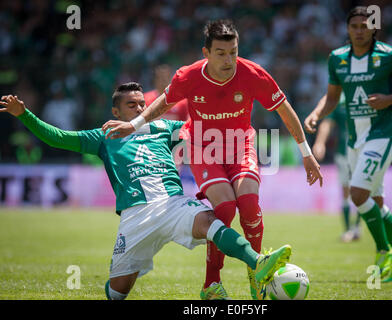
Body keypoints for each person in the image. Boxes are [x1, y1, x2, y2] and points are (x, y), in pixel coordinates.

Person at [0, 83, 293, 300]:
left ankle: (258, 263)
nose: (141, 110)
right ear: (115, 111)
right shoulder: (104, 136)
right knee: (117, 292)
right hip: (136, 217)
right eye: (132, 106)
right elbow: (59, 138)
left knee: (211, 222)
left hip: (173, 204)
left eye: (142, 104)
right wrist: (24, 115)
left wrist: (231, 109)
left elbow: (202, 127)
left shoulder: (164, 127)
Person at [101, 19, 323, 300]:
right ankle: (211, 285)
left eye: (233, 51)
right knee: (226, 209)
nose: (229, 59)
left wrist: (307, 154)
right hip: (203, 149)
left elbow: (286, 110)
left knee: (249, 204)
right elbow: (164, 102)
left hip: (241, 146)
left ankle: (257, 274)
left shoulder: (253, 74)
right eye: (221, 53)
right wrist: (133, 125)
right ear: (206, 53)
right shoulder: (189, 76)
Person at [304, 6, 392, 282]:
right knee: (375, 200)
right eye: (354, 26)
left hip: (382, 134)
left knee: (357, 195)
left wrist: (389, 99)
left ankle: (384, 251)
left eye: (364, 26)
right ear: (347, 29)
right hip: (354, 141)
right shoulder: (337, 59)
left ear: (373, 28)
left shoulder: (390, 56)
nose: (359, 31)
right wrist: (316, 113)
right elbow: (332, 97)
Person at [311, 93, 361, 242]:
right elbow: (327, 123)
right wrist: (320, 142)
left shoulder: (364, 94)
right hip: (343, 153)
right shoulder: (340, 99)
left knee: (361, 191)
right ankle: (348, 229)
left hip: (363, 151)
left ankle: (357, 228)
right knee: (346, 191)